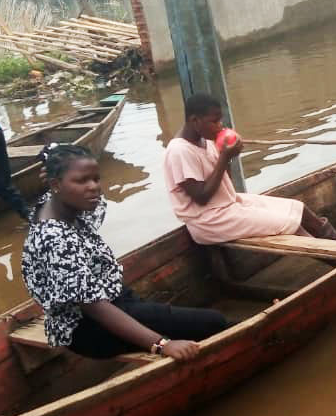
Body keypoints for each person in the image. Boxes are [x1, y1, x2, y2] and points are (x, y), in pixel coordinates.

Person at [22, 144, 228, 361]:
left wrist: (50, 158)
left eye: (96, 179)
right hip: (88, 327)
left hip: (115, 299)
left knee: (183, 318)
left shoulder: (60, 204)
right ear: (55, 185)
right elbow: (94, 307)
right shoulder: (53, 238)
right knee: (213, 321)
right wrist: (161, 344)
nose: (94, 187)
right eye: (82, 181)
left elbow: (92, 202)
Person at [163, 93, 336, 245]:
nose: (220, 126)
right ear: (195, 121)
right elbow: (202, 197)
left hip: (229, 205)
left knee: (299, 209)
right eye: (214, 121)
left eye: (220, 120)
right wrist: (225, 156)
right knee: (290, 224)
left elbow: (226, 184)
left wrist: (227, 155)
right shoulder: (179, 151)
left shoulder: (206, 140)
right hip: (209, 221)